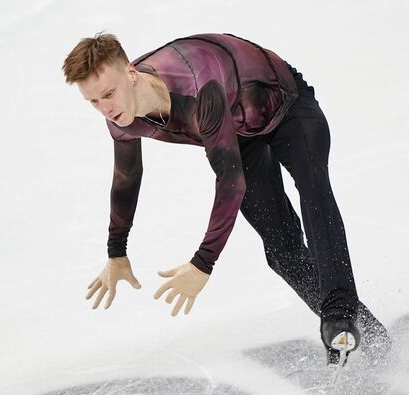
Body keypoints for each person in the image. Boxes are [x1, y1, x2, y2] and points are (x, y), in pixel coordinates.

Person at [62, 32, 390, 366]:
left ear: (131, 73)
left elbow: (230, 183)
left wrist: (203, 263)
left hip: (286, 104)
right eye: (93, 102)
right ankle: (369, 336)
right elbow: (127, 177)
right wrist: (116, 251)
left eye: (108, 94)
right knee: (281, 250)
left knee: (314, 190)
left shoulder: (197, 85)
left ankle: (338, 311)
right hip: (236, 133)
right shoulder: (121, 118)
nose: (105, 108)